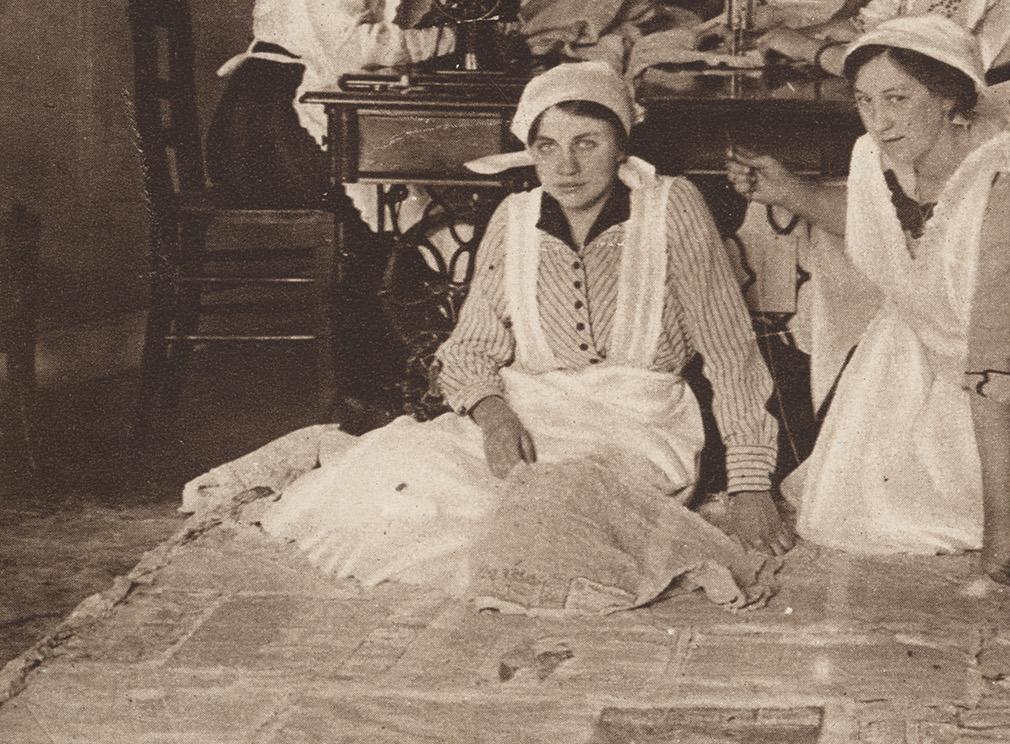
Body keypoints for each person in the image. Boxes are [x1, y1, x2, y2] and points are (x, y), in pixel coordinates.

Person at [257, 63, 794, 601]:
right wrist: (494, 418)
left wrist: (751, 484)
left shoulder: (670, 207)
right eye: (547, 146)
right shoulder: (515, 218)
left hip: (638, 424)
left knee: (558, 517)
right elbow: (468, 350)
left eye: (587, 143)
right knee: (401, 480)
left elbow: (730, 352)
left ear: (621, 144)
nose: (566, 166)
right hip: (529, 411)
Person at [726, 16, 1010, 588]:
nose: (880, 121)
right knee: (839, 513)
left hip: (1004, 396)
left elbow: (996, 359)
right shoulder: (874, 153)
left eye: (897, 98)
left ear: (950, 97)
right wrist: (789, 191)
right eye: (866, 101)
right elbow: (881, 229)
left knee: (918, 518)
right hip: (910, 362)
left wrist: (1002, 522)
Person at [207, 0, 456, 431]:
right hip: (267, 127)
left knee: (402, 197)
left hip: (291, 109)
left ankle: (404, 378)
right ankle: (368, 391)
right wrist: (453, 40)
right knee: (383, 208)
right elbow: (354, 47)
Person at [745, 0, 1010, 214]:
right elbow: (872, 22)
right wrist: (798, 35)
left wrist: (810, 48)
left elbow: (916, 57)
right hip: (945, 113)